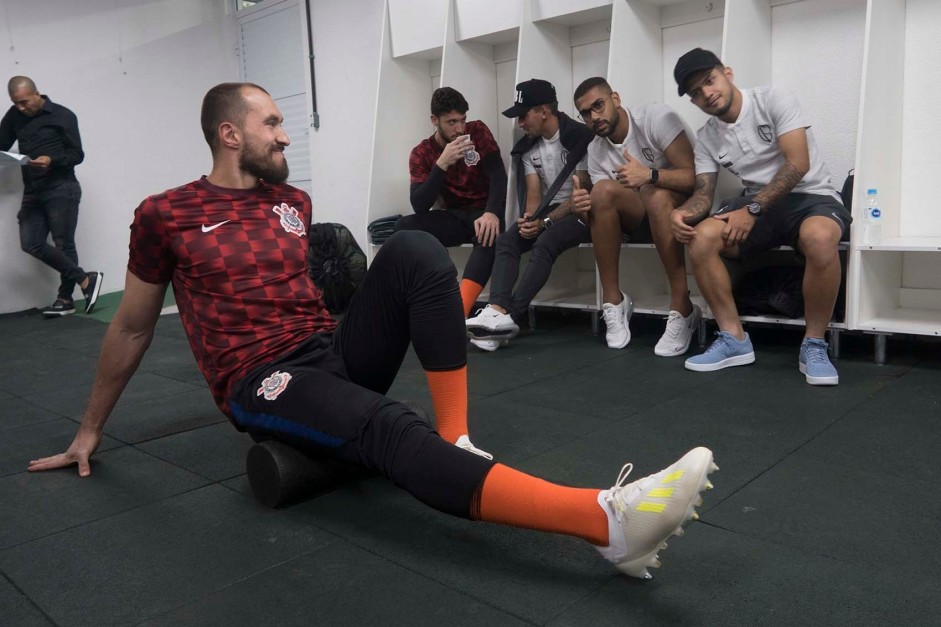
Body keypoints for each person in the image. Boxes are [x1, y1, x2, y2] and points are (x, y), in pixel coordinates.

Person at [27, 82, 716, 580]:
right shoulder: (166, 213)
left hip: (326, 351)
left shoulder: (291, 201)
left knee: (414, 251)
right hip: (258, 379)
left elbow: (321, 293)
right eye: (271, 123)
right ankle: (608, 523)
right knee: (386, 426)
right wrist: (90, 429)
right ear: (229, 133)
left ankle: (456, 439)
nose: (285, 133)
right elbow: (131, 324)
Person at [672, 49, 850, 385]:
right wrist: (682, 213)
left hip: (811, 196)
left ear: (727, 73)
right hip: (757, 205)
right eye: (695, 92)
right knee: (701, 237)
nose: (706, 93)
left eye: (709, 81)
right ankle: (733, 339)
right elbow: (703, 194)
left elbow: (798, 163)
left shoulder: (773, 98)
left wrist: (753, 208)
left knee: (821, 237)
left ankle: (814, 344)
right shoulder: (707, 137)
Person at [464, 79, 593, 352]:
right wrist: (528, 220)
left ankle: (510, 317)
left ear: (544, 111)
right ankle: (497, 310)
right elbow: (535, 198)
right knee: (508, 240)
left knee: (545, 242)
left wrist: (544, 223)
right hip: (550, 211)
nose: (520, 123)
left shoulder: (580, 138)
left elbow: (582, 196)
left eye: (523, 115)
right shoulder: (528, 147)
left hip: (584, 212)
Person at [573, 78, 700, 355]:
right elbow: (603, 215)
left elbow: (695, 178)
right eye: (585, 113)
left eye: (598, 105)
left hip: (685, 209)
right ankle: (613, 301)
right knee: (601, 192)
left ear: (615, 99)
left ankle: (683, 306)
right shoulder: (595, 149)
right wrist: (583, 209)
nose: (594, 117)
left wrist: (649, 175)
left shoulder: (655, 118)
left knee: (656, 194)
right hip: (641, 217)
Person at [397, 87, 507, 318]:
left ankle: (459, 311)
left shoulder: (477, 131)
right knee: (404, 228)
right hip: (454, 216)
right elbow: (419, 205)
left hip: (482, 212)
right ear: (434, 121)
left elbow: (498, 175)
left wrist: (492, 213)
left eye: (462, 120)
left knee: (489, 233)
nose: (459, 129)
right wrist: (441, 164)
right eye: (452, 122)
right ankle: (411, 300)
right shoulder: (422, 152)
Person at [0, 76, 102, 317]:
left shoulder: (63, 116)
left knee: (63, 243)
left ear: (37, 94)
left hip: (61, 186)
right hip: (33, 190)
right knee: (30, 242)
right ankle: (86, 279)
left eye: (25, 102)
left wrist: (51, 160)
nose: (21, 108)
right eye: (16, 103)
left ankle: (65, 299)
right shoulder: (14, 116)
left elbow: (77, 154)